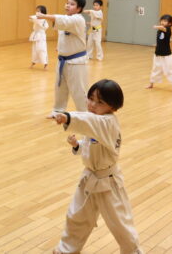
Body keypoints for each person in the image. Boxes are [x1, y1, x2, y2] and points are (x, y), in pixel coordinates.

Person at [48, 79, 143, 254]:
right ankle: (66, 250)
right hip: (89, 178)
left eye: (100, 102)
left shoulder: (108, 123)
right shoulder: (97, 123)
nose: (92, 104)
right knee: (76, 216)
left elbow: (90, 121)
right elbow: (91, 146)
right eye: (90, 98)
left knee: (121, 225)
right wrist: (77, 145)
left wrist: (67, 117)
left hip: (108, 183)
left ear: (112, 106)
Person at [37, 0, 88, 113]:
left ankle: (84, 113)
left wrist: (44, 16)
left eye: (72, 4)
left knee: (78, 90)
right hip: (63, 60)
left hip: (76, 62)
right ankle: (58, 111)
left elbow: (62, 20)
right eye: (67, 3)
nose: (68, 5)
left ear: (79, 8)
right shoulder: (67, 18)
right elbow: (64, 35)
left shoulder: (78, 19)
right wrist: (59, 47)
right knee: (60, 87)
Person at [146, 14, 172, 94]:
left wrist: (156, 26)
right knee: (155, 69)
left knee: (170, 70)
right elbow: (160, 40)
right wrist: (156, 45)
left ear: (169, 23)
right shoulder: (159, 31)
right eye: (162, 20)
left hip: (167, 55)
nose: (163, 22)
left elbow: (163, 28)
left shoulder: (168, 29)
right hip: (158, 54)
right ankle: (151, 84)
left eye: (165, 21)